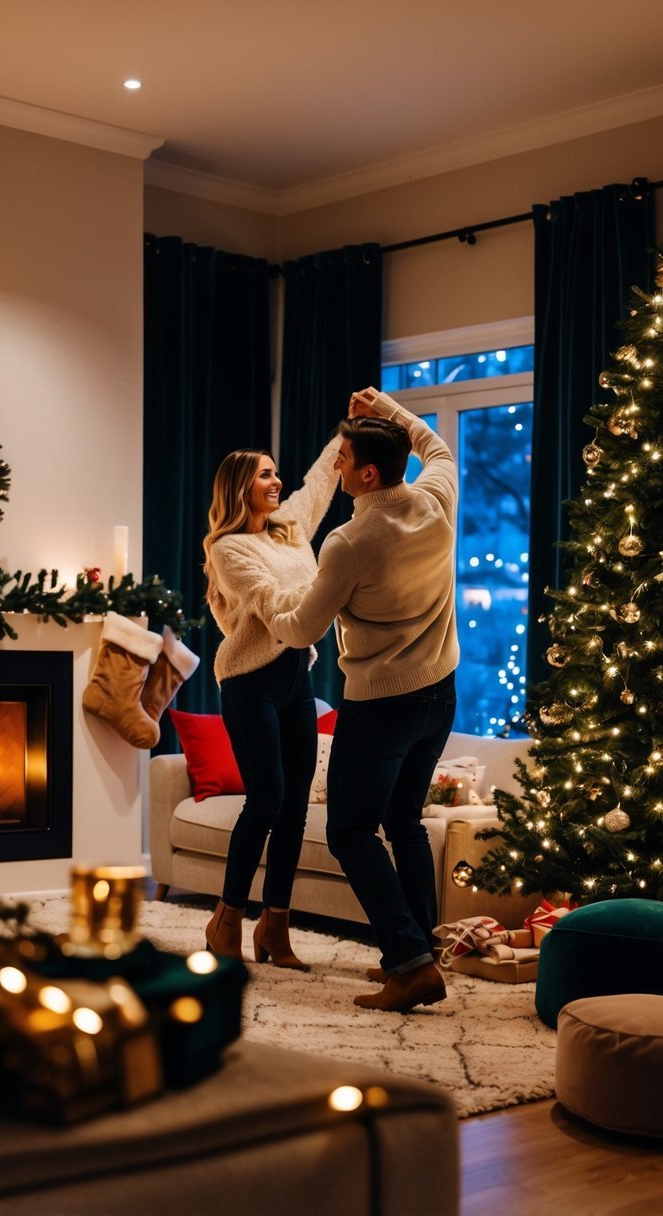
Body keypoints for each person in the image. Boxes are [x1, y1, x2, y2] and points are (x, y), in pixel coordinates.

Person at [262, 387, 459, 1012]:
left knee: (349, 829)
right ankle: (419, 950)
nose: (335, 465)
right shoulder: (436, 500)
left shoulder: (349, 541)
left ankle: (409, 960)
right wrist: (389, 409)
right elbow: (436, 446)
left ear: (368, 472)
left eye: (343, 458)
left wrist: (264, 597)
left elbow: (298, 629)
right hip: (440, 694)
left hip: (381, 705)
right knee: (402, 821)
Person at [202, 435, 341, 968]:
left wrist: (347, 431)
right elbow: (268, 601)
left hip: (295, 682)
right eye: (264, 475)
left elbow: (321, 481)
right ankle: (227, 918)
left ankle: (275, 929)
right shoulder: (227, 548)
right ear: (241, 487)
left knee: (295, 808)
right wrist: (333, 592)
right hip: (249, 681)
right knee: (268, 798)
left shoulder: (290, 528)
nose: (276, 482)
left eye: (275, 473)